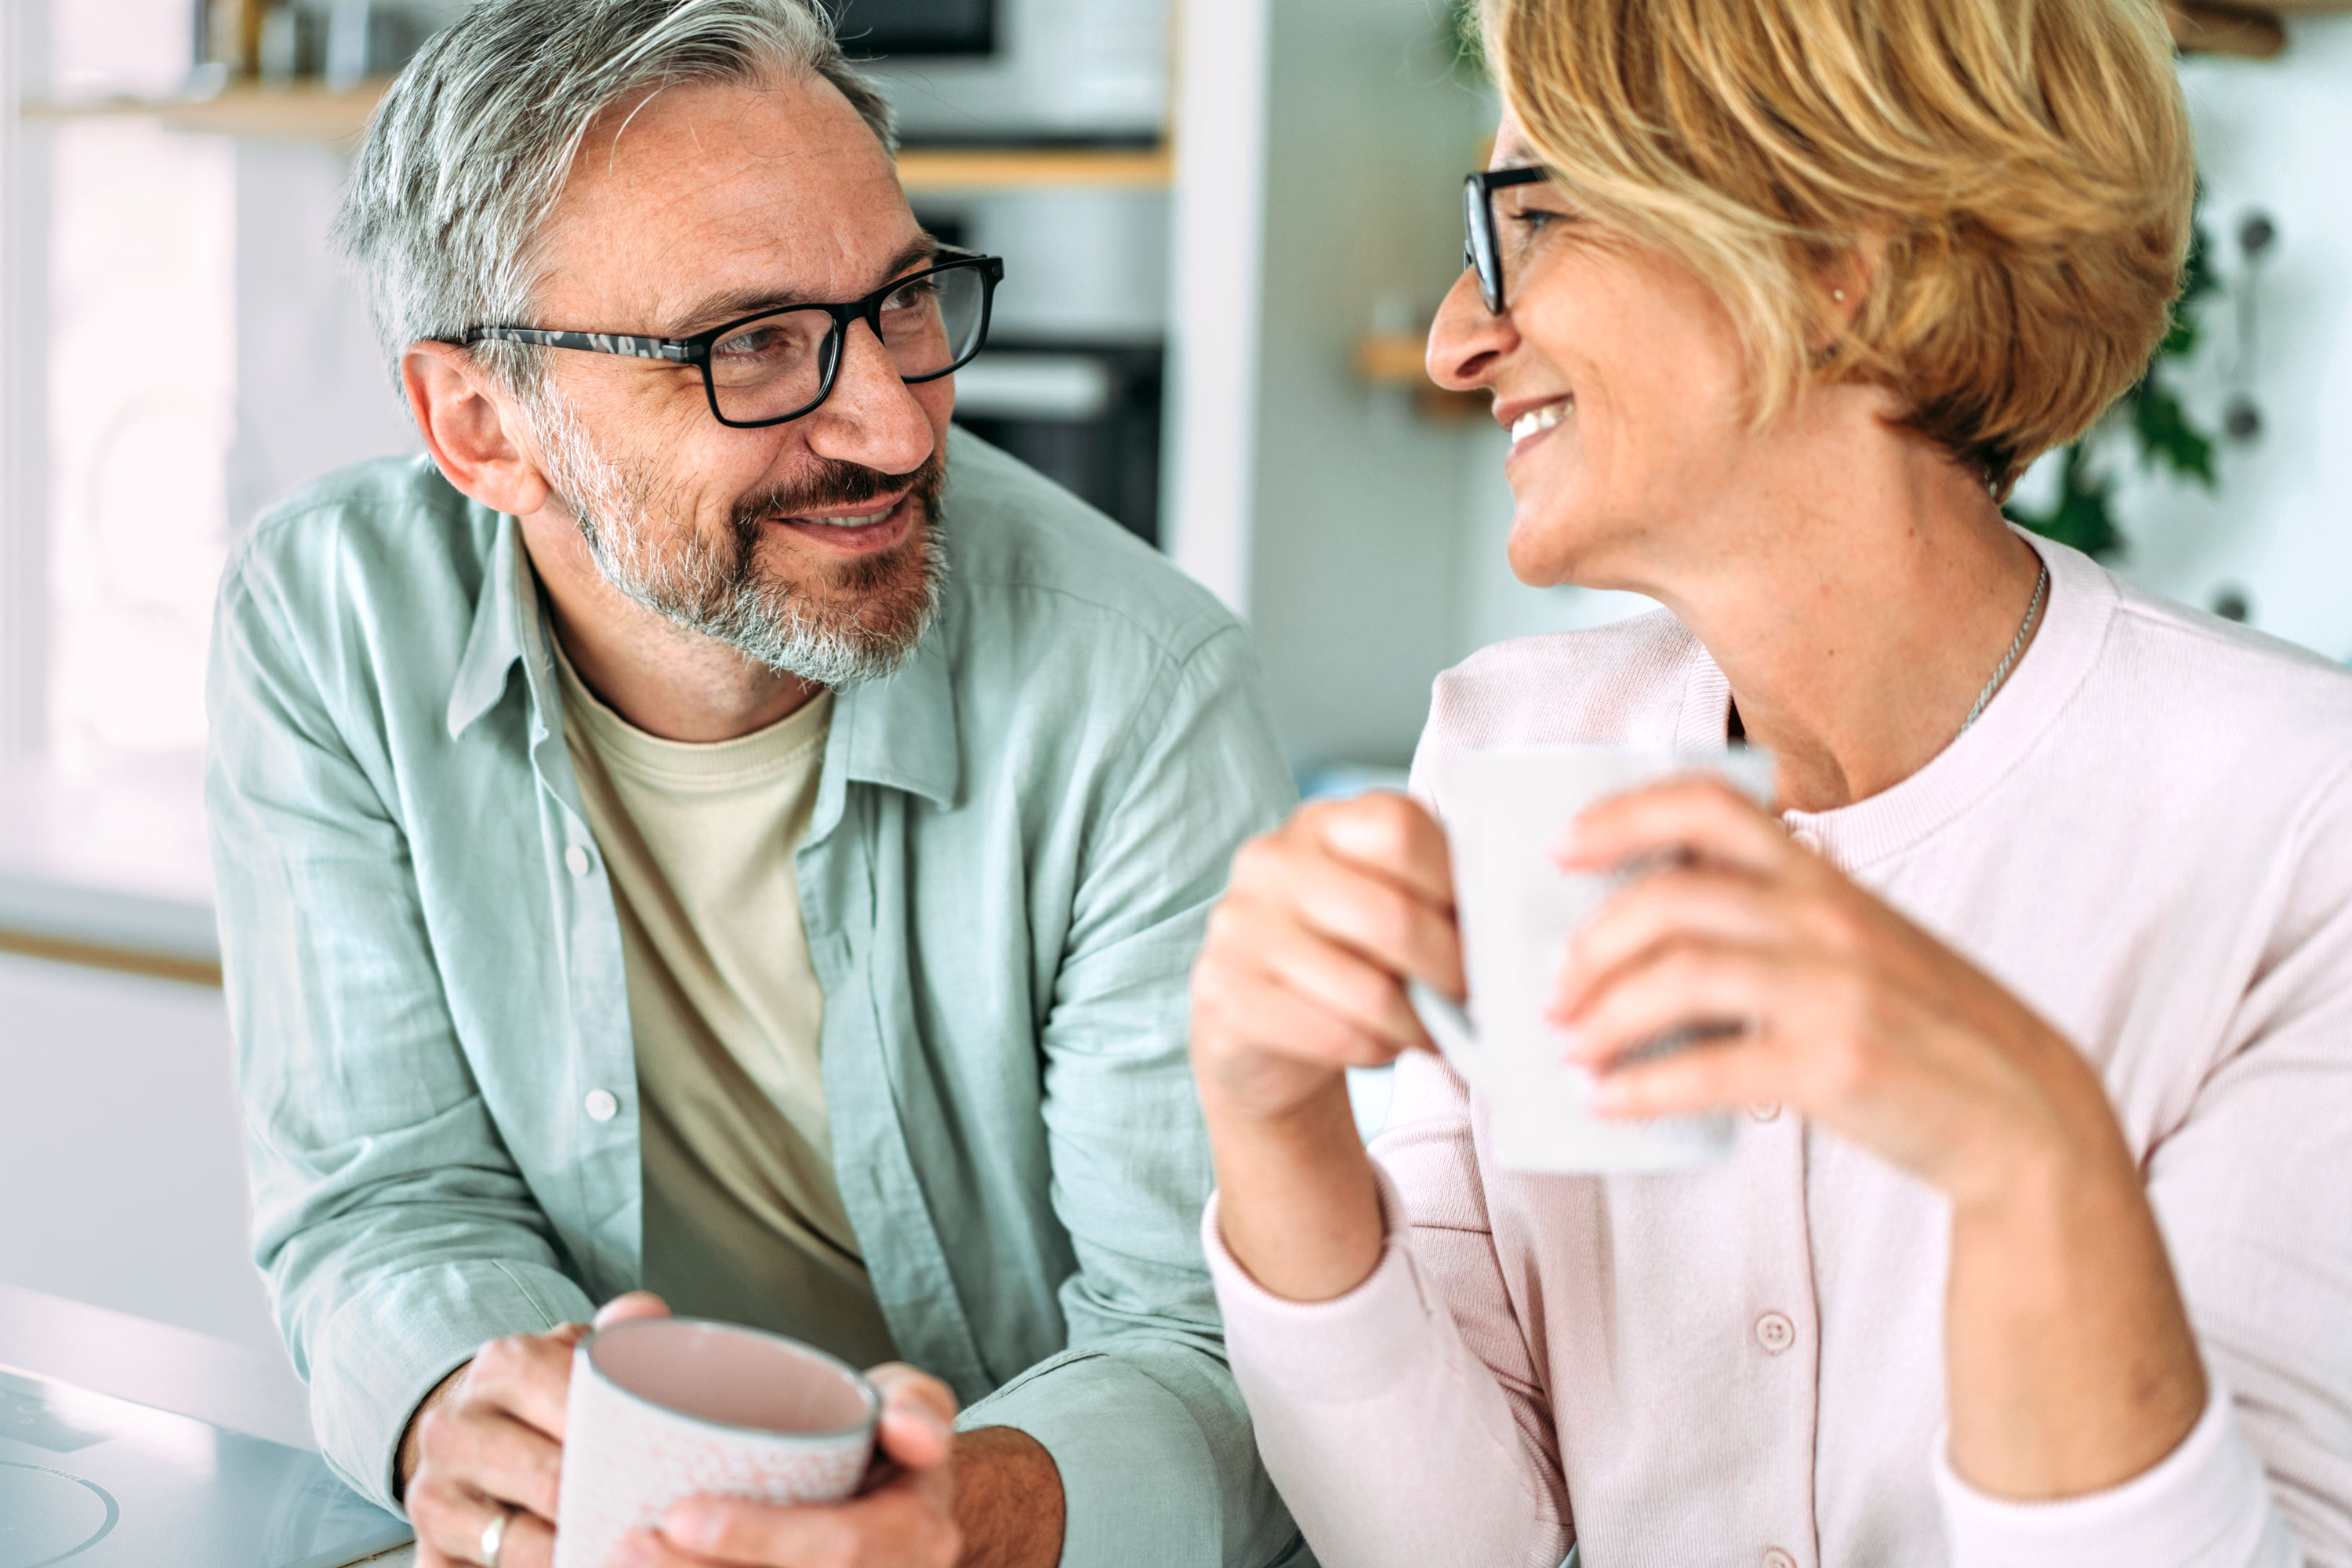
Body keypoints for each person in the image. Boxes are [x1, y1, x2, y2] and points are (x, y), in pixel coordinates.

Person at [1186, 0, 2352, 1564]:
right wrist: (1273, 1126)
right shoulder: (1511, 755)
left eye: (1520, 225)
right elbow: (1454, 1547)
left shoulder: (2298, 828)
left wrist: (2032, 1163)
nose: (1461, 335)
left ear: (1833, 258)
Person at [205, 3, 1304, 1566]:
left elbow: (1214, 1360)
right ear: (479, 423)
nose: (896, 417)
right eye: (750, 347)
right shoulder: (328, 624)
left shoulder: (1141, 691)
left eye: (904, 299)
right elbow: (388, 1199)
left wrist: (950, 1522)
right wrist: (478, 1413)